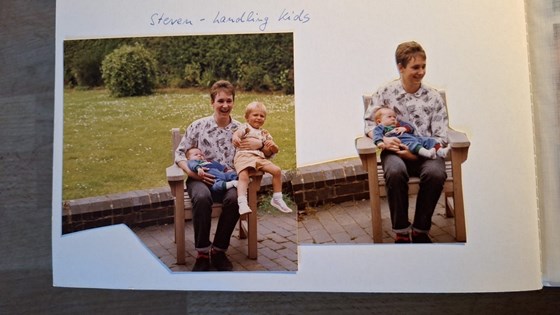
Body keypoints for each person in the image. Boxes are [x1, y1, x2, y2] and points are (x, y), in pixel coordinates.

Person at [364, 41, 449, 244]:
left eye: (423, 66)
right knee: (394, 172)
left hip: (426, 152)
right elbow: (369, 123)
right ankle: (401, 230)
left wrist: (414, 153)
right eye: (415, 67)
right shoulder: (385, 92)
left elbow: (440, 135)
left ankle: (420, 229)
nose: (421, 72)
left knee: (436, 173)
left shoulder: (433, 97)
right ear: (400, 68)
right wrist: (383, 139)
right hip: (394, 152)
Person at [175, 80, 262, 271]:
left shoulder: (242, 129)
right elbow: (180, 154)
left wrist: (260, 145)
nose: (225, 106)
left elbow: (265, 152)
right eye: (220, 101)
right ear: (212, 102)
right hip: (201, 178)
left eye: (229, 101)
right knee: (202, 198)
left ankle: (219, 251)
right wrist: (192, 173)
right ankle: (203, 253)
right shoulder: (198, 126)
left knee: (235, 199)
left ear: (233, 102)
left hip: (230, 181)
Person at [233, 101, 293, 215]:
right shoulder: (245, 127)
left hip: (259, 158)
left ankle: (277, 198)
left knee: (277, 171)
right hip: (244, 156)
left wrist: (273, 146)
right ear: (247, 117)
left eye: (262, 116)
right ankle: (242, 202)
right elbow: (238, 133)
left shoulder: (264, 133)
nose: (259, 118)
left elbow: (273, 151)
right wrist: (236, 137)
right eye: (255, 115)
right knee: (243, 175)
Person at [373, 107, 449, 159]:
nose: (393, 118)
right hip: (403, 142)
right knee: (413, 144)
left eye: (394, 117)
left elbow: (411, 128)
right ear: (379, 121)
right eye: (389, 117)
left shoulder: (399, 124)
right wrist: (380, 142)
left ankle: (440, 152)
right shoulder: (381, 127)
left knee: (429, 140)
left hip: (415, 138)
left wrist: (404, 128)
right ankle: (428, 154)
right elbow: (376, 135)